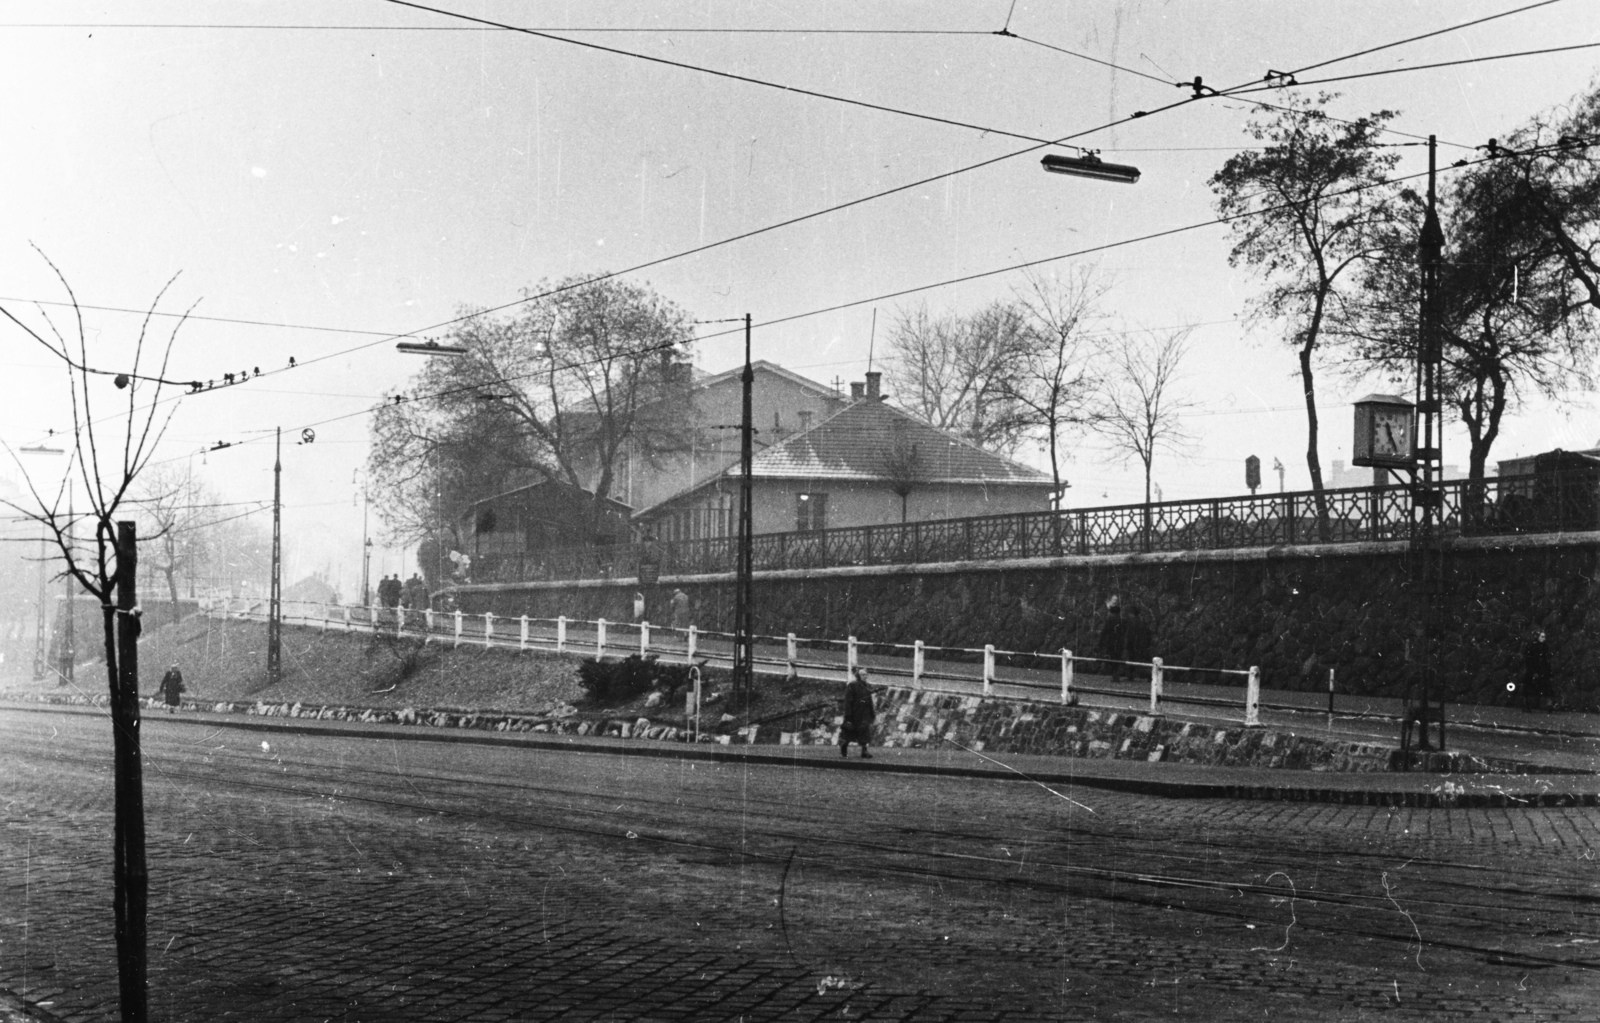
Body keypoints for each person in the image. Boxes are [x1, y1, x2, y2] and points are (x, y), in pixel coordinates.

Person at [839, 666, 877, 759]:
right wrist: (848, 715)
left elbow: (869, 701)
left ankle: (864, 751)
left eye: (866, 674)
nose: (865, 676)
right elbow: (848, 701)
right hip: (855, 714)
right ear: (858, 676)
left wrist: (872, 713)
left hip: (865, 713)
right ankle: (844, 746)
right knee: (850, 732)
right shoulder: (852, 685)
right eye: (862, 674)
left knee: (865, 732)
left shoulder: (867, 686)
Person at [1520, 627, 1551, 712]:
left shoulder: (1545, 647)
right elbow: (1529, 660)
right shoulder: (1532, 646)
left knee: (1546, 686)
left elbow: (1546, 659)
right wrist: (1533, 671)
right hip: (1533, 669)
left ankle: (1549, 705)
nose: (1543, 639)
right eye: (1542, 637)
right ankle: (1526, 704)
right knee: (1528, 686)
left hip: (1542, 669)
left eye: (1544, 637)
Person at [1098, 604, 1127, 681]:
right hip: (1120, 642)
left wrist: (1100, 643)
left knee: (1112, 658)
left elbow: (1104, 632)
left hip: (1111, 642)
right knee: (1117, 658)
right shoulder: (1122, 620)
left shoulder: (1109, 619)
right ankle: (1116, 674)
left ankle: (1114, 675)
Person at [1123, 606, 1153, 674]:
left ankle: (1131, 674)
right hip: (1141, 643)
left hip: (1134, 643)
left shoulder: (1132, 622)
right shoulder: (1141, 621)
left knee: (1132, 658)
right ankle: (1148, 675)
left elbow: (1130, 634)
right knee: (1144, 659)